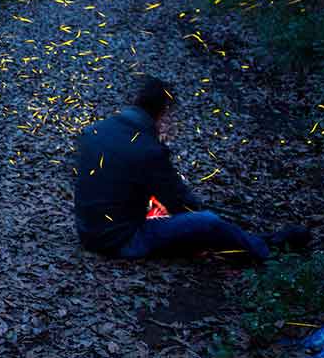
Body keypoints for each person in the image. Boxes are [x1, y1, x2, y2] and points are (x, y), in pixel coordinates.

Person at [73, 76, 310, 262]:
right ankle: (266, 249)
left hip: (88, 231)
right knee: (207, 221)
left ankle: (251, 239)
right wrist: (194, 206)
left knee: (172, 211)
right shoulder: (148, 149)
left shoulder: (95, 130)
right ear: (162, 111)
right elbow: (178, 203)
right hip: (120, 241)